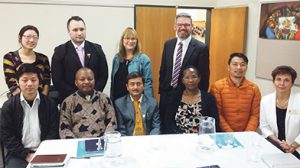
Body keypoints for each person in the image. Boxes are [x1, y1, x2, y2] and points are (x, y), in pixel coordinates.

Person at [159, 12, 210, 134]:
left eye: (186, 25)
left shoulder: (201, 48)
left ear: (192, 27)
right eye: (180, 24)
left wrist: (198, 100)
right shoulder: (168, 44)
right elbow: (164, 69)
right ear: (175, 26)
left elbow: (204, 77)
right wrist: (162, 90)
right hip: (167, 95)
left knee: (182, 131)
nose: (183, 27)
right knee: (165, 129)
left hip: (186, 98)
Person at [0, 64, 59, 168]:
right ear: (17, 82)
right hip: (18, 154)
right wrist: (26, 155)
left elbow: (53, 131)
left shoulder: (50, 104)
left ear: (39, 81)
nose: (29, 84)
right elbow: (7, 136)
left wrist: (42, 152)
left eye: (33, 80)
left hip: (46, 151)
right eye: (25, 80)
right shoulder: (8, 106)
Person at [52, 16, 108, 103]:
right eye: (75, 30)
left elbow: (103, 75)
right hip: (70, 101)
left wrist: (92, 95)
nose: (79, 33)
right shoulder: (60, 51)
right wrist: (77, 97)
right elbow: (57, 79)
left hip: (94, 100)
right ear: (69, 32)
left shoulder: (97, 49)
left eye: (82, 29)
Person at [59, 68, 116, 139]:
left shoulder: (104, 99)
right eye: (82, 79)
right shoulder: (68, 102)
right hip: (77, 144)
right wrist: (77, 143)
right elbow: (64, 129)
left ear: (94, 80)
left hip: (102, 142)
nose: (86, 82)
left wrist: (105, 140)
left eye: (90, 79)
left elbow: (112, 122)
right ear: (76, 82)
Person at [210, 52, 261, 132]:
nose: (239, 67)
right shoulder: (217, 87)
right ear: (228, 67)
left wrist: (247, 133)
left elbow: (255, 114)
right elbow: (217, 115)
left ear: (246, 67)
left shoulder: (254, 88)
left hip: (246, 135)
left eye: (242, 65)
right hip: (224, 134)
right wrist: (231, 134)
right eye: (235, 64)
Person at [260, 66, 300, 158]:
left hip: (296, 147)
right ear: (273, 82)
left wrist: (292, 146)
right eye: (278, 79)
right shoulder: (265, 100)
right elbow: (264, 126)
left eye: (286, 80)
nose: (282, 83)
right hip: (274, 143)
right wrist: (279, 143)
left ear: (292, 83)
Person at [3, 25, 51, 96]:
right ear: (20, 38)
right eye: (28, 37)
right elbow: (11, 82)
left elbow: (47, 80)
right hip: (18, 99)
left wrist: (43, 99)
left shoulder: (43, 58)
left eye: (35, 37)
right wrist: (25, 101)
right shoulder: (10, 57)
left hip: (41, 99)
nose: (32, 40)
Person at [111, 27, 153, 102]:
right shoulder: (117, 58)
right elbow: (113, 82)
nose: (130, 41)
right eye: (127, 38)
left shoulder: (144, 59)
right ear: (122, 40)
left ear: (137, 41)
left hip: (135, 101)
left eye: (133, 39)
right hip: (117, 100)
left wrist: (148, 103)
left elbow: (147, 83)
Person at [174, 66, 220, 133]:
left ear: (199, 79)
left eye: (194, 77)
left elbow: (214, 122)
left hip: (202, 138)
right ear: (183, 80)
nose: (190, 80)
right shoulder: (174, 98)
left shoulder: (209, 98)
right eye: (187, 78)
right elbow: (169, 122)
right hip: (179, 138)